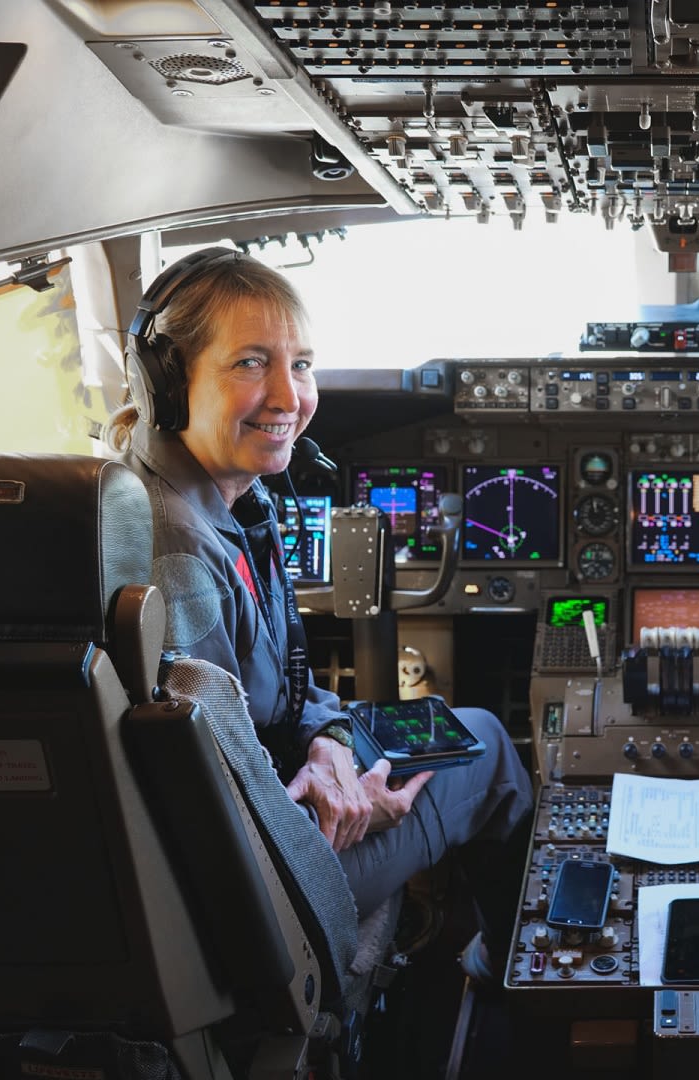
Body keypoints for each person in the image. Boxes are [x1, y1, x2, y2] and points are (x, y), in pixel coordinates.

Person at [109, 249, 532, 963]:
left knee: (449, 728)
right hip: (269, 881)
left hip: (277, 785)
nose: (288, 397)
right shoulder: (175, 553)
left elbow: (264, 705)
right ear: (169, 382)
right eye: (250, 363)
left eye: (300, 364)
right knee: (486, 746)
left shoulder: (205, 501)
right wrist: (355, 802)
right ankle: (501, 971)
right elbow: (214, 807)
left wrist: (332, 741)